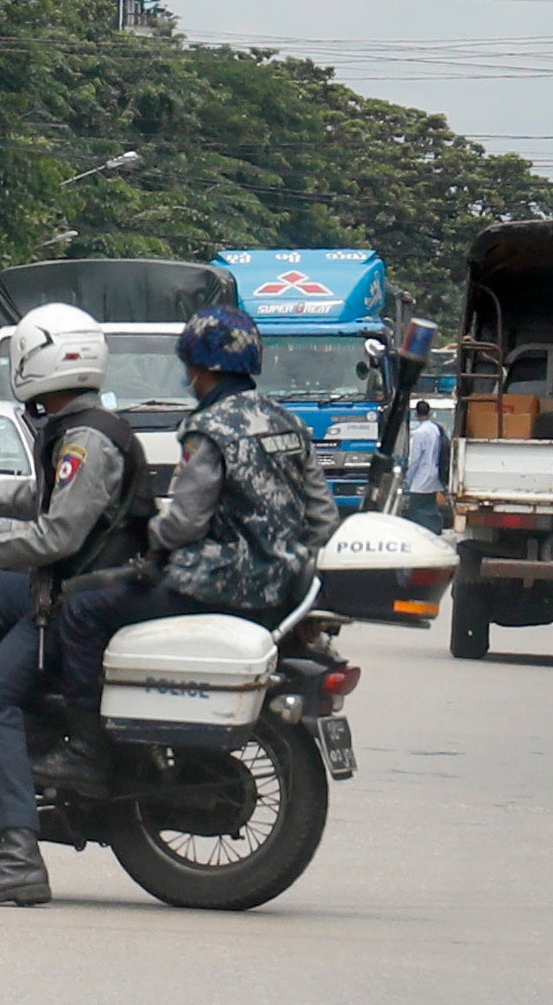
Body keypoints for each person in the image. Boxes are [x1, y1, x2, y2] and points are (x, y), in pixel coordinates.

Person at [0, 303, 155, 909]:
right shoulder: (80, 427)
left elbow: (56, 536)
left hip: (78, 596)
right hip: (78, 589)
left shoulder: (88, 439)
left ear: (42, 361)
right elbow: (38, 494)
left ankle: (17, 858)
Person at [57, 303, 341, 733]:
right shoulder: (290, 423)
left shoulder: (209, 429)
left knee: (80, 610)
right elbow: (323, 517)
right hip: (282, 591)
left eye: (189, 367)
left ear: (201, 369)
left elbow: (185, 523)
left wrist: (147, 534)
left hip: (217, 587)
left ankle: (84, 747)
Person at [402, 399, 448, 532]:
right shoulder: (436, 429)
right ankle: (436, 528)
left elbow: (415, 459)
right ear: (430, 412)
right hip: (435, 473)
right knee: (430, 505)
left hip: (421, 475)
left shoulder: (420, 433)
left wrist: (408, 477)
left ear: (416, 414)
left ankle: (422, 531)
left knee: (417, 507)